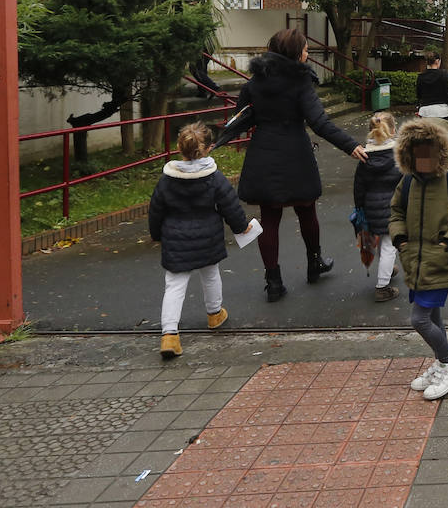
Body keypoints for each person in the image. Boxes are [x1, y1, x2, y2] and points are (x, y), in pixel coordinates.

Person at [236, 29, 367, 302]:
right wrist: (350, 145)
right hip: (295, 154)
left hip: (263, 153)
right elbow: (319, 123)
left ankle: (273, 282)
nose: (308, 54)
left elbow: (242, 116)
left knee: (268, 218)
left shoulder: (254, 82)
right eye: (305, 50)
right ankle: (314, 262)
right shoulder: (300, 82)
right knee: (306, 210)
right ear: (294, 53)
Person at [390, 117, 448, 400]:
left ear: (440, 149)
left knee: (419, 319)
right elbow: (396, 212)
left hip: (441, 261)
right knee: (432, 316)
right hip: (414, 263)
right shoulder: (408, 181)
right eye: (416, 150)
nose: (422, 156)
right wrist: (400, 239)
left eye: (428, 149)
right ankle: (443, 362)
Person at [149, 122, 252, 359]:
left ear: (179, 147)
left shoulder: (167, 179)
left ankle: (169, 335)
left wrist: (156, 234)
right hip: (208, 237)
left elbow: (156, 209)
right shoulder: (214, 177)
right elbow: (230, 206)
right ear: (208, 148)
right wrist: (241, 227)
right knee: (211, 274)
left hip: (176, 240)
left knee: (174, 285)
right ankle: (214, 314)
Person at [353, 111, 403, 302]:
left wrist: (360, 208)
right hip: (392, 208)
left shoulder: (364, 157)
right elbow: (405, 182)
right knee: (390, 246)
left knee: (382, 240)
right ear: (392, 131)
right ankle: (382, 286)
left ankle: (387, 269)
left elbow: (358, 186)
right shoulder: (398, 155)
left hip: (371, 209)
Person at [416, 52, 448, 120]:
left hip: (425, 112)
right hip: (442, 112)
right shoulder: (444, 75)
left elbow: (419, 96)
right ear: (437, 61)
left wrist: (418, 108)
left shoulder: (420, 77)